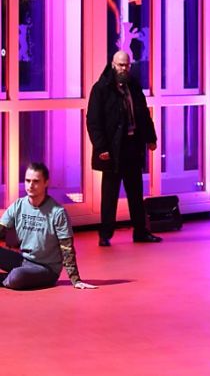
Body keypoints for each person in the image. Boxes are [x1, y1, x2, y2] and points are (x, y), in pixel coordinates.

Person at [86, 51, 162, 247]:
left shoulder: (134, 87)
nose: (124, 68)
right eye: (120, 65)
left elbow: (143, 115)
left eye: (127, 65)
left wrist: (151, 138)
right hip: (112, 149)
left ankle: (140, 232)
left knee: (136, 192)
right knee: (109, 194)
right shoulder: (101, 88)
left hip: (132, 146)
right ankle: (105, 234)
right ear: (113, 64)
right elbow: (93, 121)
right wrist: (101, 147)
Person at [0, 163, 96, 290]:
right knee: (17, 273)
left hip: (46, 269)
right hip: (23, 260)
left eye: (36, 181)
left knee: (17, 276)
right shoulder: (18, 205)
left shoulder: (58, 212)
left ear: (46, 183)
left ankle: (10, 278)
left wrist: (75, 279)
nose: (30, 185)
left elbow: (67, 248)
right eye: (27, 181)